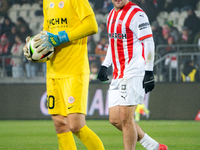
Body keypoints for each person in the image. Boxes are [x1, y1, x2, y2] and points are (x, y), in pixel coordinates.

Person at [23, 0, 105, 150]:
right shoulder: (47, 1)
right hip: (53, 71)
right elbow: (47, 32)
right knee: (60, 125)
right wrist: (35, 49)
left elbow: (92, 26)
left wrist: (61, 38)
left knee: (76, 125)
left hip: (74, 69)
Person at [97, 0, 168, 150]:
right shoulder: (111, 15)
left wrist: (149, 71)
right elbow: (113, 43)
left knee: (126, 118)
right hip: (118, 73)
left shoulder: (137, 14)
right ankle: (154, 147)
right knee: (115, 119)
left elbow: (148, 42)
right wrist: (105, 65)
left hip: (134, 71)